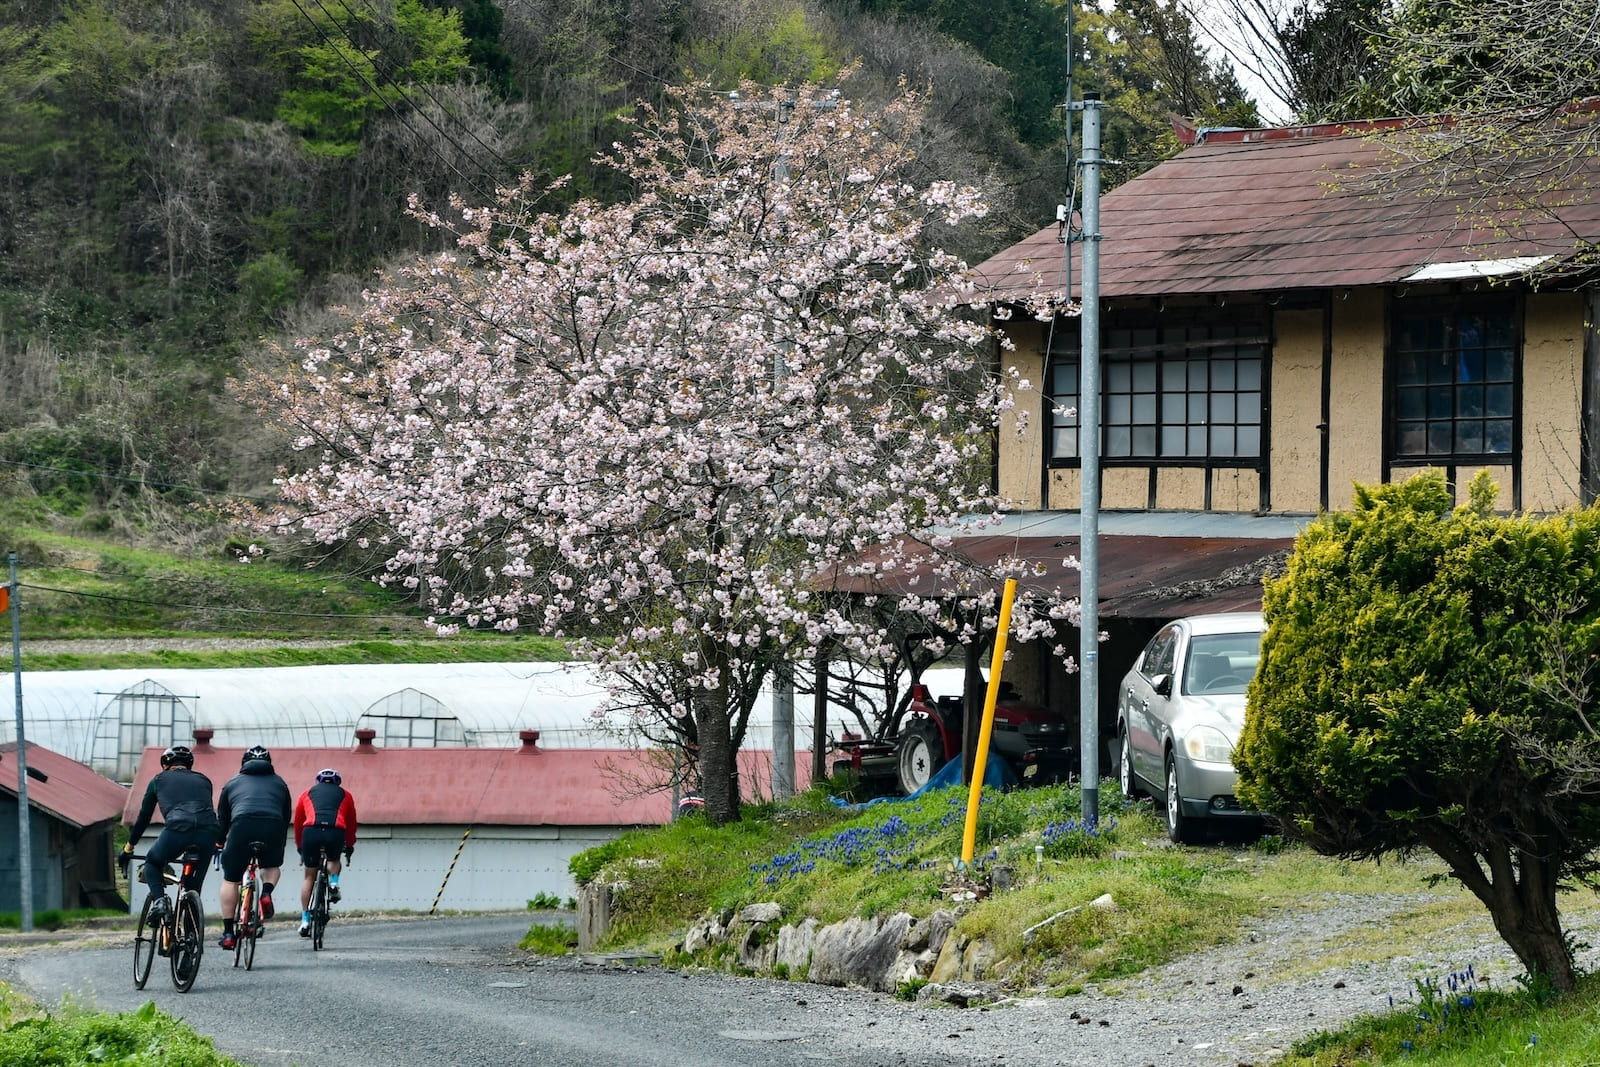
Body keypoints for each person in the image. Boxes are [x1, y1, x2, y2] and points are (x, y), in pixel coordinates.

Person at [119, 745, 221, 925]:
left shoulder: (158, 780)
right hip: (209, 832)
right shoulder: (204, 780)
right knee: (194, 887)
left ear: (165, 765)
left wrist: (129, 847)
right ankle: (192, 936)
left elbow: (144, 817)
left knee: (152, 862)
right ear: (189, 765)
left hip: (178, 829)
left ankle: (160, 902)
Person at [214, 745, 293, 950]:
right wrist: (279, 840)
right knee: (271, 866)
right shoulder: (280, 783)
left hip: (242, 824)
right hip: (273, 825)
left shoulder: (232, 783)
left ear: (243, 763)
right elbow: (286, 815)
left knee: (231, 879)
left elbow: (223, 819)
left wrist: (219, 842)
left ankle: (228, 934)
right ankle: (266, 893)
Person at [293, 767, 358, 937]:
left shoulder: (306, 793)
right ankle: (334, 883)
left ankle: (305, 920)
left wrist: (300, 846)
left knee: (309, 877)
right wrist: (350, 844)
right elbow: (351, 823)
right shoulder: (346, 795)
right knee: (334, 860)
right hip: (335, 831)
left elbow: (298, 821)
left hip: (311, 831)